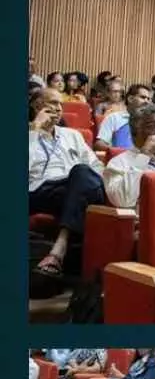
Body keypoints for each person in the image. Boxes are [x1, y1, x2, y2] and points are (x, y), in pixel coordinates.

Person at [29, 88, 106, 277]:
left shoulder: (72, 135)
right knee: (82, 185)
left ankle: (59, 249)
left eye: (60, 104)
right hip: (39, 190)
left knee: (82, 172)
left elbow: (95, 165)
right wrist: (34, 130)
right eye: (53, 103)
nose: (58, 109)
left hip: (74, 187)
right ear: (37, 106)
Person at [96, 83, 153, 150]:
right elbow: (99, 144)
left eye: (148, 99)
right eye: (143, 97)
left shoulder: (151, 122)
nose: (147, 101)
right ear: (130, 99)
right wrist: (116, 150)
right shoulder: (114, 118)